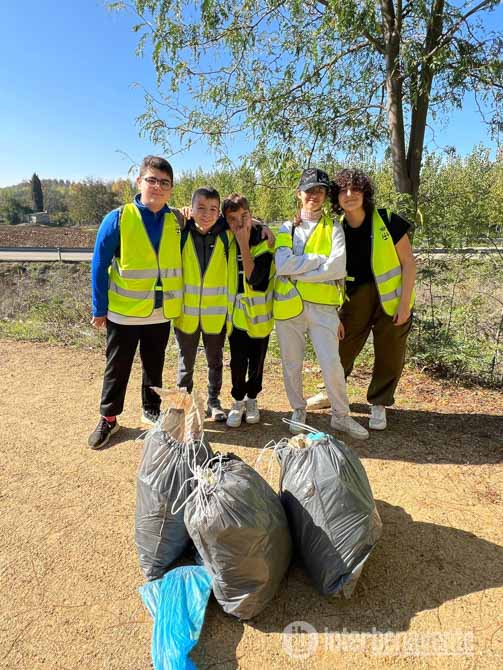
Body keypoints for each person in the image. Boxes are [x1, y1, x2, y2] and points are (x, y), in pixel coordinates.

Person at [88, 155, 183, 449]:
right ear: (139, 182)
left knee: (154, 366)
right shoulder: (117, 218)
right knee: (117, 368)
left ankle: (151, 410)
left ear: (171, 189)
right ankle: (109, 419)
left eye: (164, 183)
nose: (157, 187)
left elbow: (213, 219)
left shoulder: (177, 220)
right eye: (152, 180)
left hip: (160, 311)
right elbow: (99, 265)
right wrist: (99, 308)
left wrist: (259, 226)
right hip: (123, 312)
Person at [273, 168, 369, 439]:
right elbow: (282, 265)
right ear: (299, 194)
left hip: (323, 309)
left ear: (326, 196)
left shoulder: (334, 228)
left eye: (320, 191)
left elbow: (336, 268)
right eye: (309, 190)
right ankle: (298, 410)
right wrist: (317, 261)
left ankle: (341, 416)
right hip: (288, 307)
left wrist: (299, 271)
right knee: (291, 363)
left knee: (332, 365)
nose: (314, 195)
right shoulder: (286, 228)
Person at [331, 168, 416, 430]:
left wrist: (404, 305)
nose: (349, 195)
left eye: (355, 189)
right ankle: (332, 392)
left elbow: (408, 263)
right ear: (336, 197)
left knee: (390, 352)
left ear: (365, 193)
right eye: (343, 190)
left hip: (391, 300)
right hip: (353, 299)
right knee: (340, 349)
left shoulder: (387, 220)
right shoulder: (334, 230)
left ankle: (379, 403)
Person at [174, 187, 232, 421]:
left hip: (215, 315)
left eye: (212, 209)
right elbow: (162, 214)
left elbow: (246, 219)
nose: (206, 214)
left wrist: (263, 226)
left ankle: (213, 401)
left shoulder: (226, 236)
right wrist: (179, 213)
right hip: (185, 314)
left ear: (219, 212)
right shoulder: (181, 232)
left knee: (215, 362)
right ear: (191, 208)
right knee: (185, 361)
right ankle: (183, 403)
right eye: (200, 208)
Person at [223, 193, 275, 428]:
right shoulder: (226, 237)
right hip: (236, 316)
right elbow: (203, 219)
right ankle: (237, 400)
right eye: (232, 219)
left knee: (257, 360)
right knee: (237, 361)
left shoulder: (263, 240)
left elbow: (255, 279)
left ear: (251, 214)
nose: (239, 223)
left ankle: (252, 398)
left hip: (259, 315)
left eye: (244, 216)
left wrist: (244, 243)